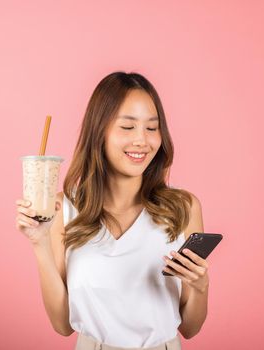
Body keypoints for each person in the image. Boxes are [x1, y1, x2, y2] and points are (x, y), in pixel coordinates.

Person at [15, 72, 210, 350]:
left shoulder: (183, 208)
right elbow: (61, 324)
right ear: (100, 131)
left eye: (152, 128)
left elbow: (191, 328)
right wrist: (40, 242)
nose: (142, 141)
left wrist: (200, 285)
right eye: (128, 128)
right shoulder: (64, 209)